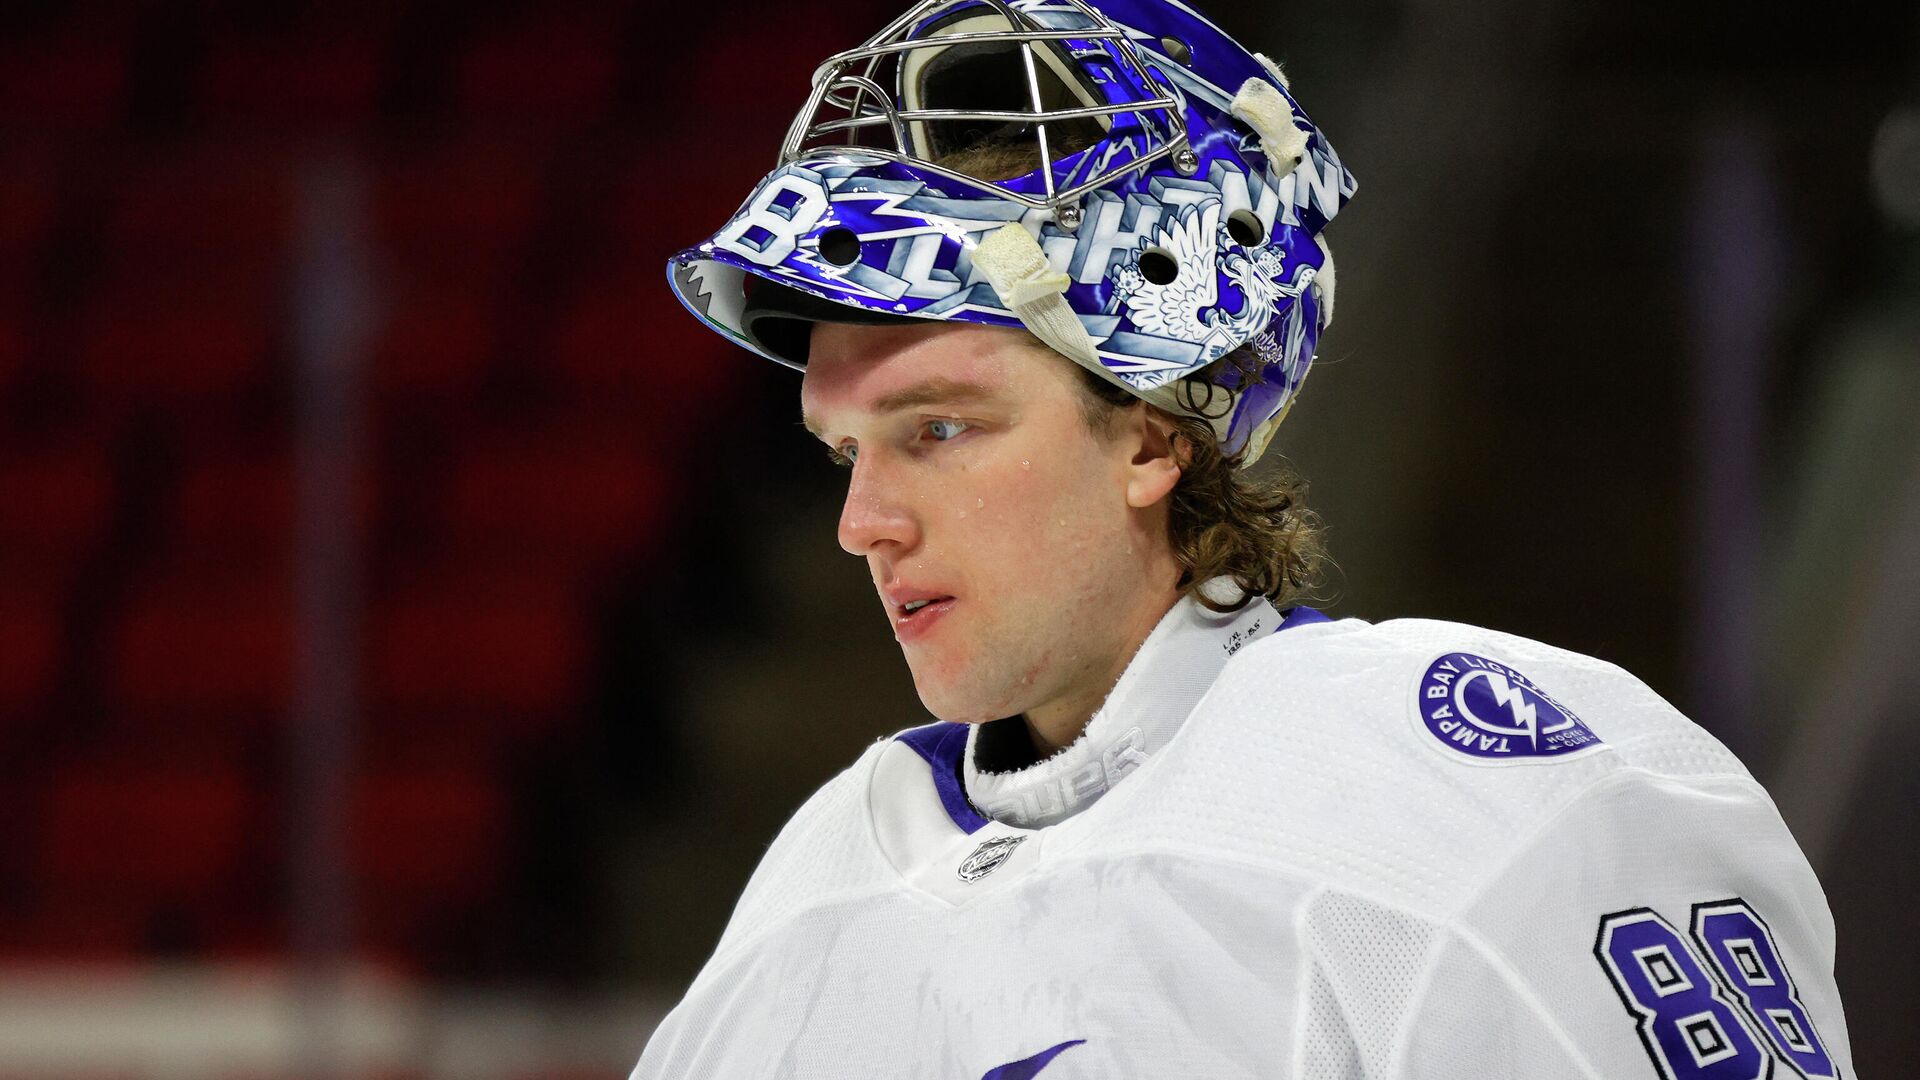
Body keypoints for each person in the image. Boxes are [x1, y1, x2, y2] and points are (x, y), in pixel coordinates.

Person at [637, 0, 1855, 1076]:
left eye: (941, 427)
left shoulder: (1490, 806)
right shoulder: (818, 885)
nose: (864, 525)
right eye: (844, 451)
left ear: (1156, 437)